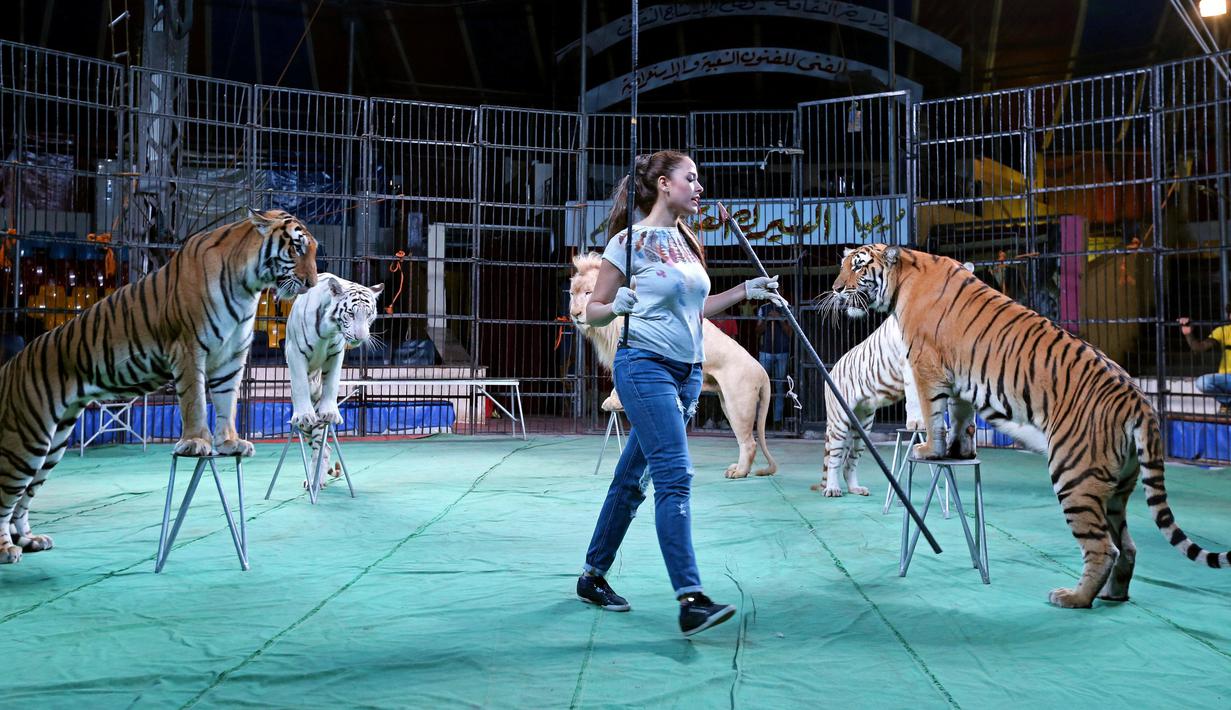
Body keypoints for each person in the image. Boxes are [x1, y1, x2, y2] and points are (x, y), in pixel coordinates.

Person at [576, 150, 779, 636]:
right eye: (691, 178)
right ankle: (691, 598)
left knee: (631, 479)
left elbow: (695, 306)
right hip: (643, 367)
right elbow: (593, 312)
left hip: (688, 371)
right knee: (674, 475)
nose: (699, 186)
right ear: (665, 185)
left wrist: (745, 291)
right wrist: (614, 304)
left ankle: (592, 576)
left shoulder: (686, 241)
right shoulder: (627, 244)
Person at [1179, 308, 1231, 415]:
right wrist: (1188, 333)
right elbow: (1198, 348)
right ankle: (1227, 402)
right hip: (1226, 378)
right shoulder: (1224, 331)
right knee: (1203, 382)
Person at [756, 300, 791, 425]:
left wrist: (779, 319)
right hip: (765, 351)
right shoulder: (763, 308)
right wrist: (767, 319)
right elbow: (758, 331)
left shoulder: (788, 307)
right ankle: (757, 420)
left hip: (782, 351)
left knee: (780, 386)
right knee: (760, 385)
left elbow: (790, 332)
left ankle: (777, 420)